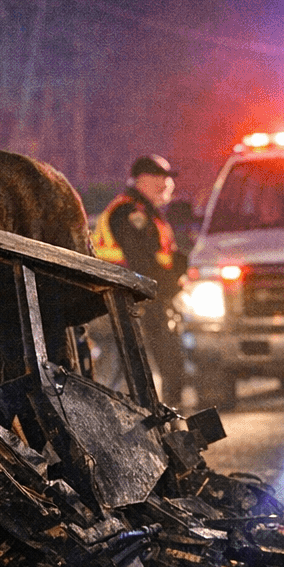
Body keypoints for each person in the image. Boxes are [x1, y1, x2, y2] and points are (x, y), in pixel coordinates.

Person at [92, 155, 189, 405]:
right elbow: (141, 263)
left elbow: (159, 258)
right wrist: (168, 285)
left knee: (148, 367)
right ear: (143, 180)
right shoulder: (129, 212)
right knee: (123, 369)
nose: (168, 184)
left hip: (137, 300)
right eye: (162, 178)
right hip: (122, 302)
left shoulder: (146, 212)